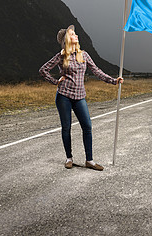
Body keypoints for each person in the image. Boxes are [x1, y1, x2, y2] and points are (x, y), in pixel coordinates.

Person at [39, 25, 123, 171]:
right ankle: (69, 158)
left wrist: (113, 80)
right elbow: (43, 70)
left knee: (87, 127)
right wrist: (55, 81)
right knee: (66, 127)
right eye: (73, 34)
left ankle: (89, 160)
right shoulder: (61, 56)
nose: (76, 35)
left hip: (79, 97)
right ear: (67, 39)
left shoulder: (84, 55)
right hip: (63, 96)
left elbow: (97, 71)